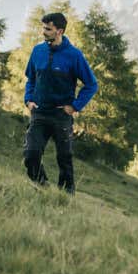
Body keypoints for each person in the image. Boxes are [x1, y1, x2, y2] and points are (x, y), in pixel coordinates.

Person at [22, 11, 98, 195]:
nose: (43, 32)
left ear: (59, 31)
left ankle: (66, 195)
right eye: (43, 28)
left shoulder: (74, 55)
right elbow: (31, 79)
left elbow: (91, 84)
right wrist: (28, 100)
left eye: (48, 29)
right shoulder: (37, 51)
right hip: (39, 113)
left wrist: (74, 106)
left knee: (64, 158)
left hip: (61, 116)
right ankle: (43, 188)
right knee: (31, 155)